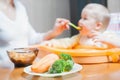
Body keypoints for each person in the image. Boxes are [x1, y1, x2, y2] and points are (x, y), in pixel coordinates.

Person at [0, 0, 69, 74]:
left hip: (25, 70)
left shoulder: (20, 7)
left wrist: (54, 32)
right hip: (5, 73)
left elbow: (32, 39)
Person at [41, 3, 114, 49]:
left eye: (85, 18)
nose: (79, 21)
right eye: (81, 18)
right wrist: (52, 43)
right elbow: (66, 42)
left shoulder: (107, 37)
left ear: (97, 25)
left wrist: (108, 41)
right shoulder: (80, 37)